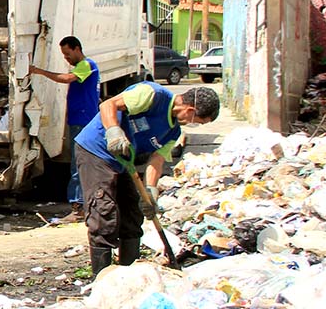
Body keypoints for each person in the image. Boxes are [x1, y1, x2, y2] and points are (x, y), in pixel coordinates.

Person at [75, 83, 219, 276]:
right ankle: (102, 277)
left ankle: (129, 273)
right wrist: (113, 131)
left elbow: (157, 160)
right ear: (191, 110)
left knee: (133, 213)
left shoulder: (173, 132)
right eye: (198, 121)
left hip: (125, 159)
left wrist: (150, 191)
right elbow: (108, 105)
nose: (195, 125)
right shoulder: (152, 95)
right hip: (97, 150)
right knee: (103, 212)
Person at [29, 35, 100, 223]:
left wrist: (39, 71)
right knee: (80, 163)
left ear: (77, 48)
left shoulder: (86, 65)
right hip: (79, 119)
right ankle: (83, 206)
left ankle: (78, 208)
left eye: (68, 54)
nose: (66, 58)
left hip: (83, 121)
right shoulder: (83, 66)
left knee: (78, 163)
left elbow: (67, 79)